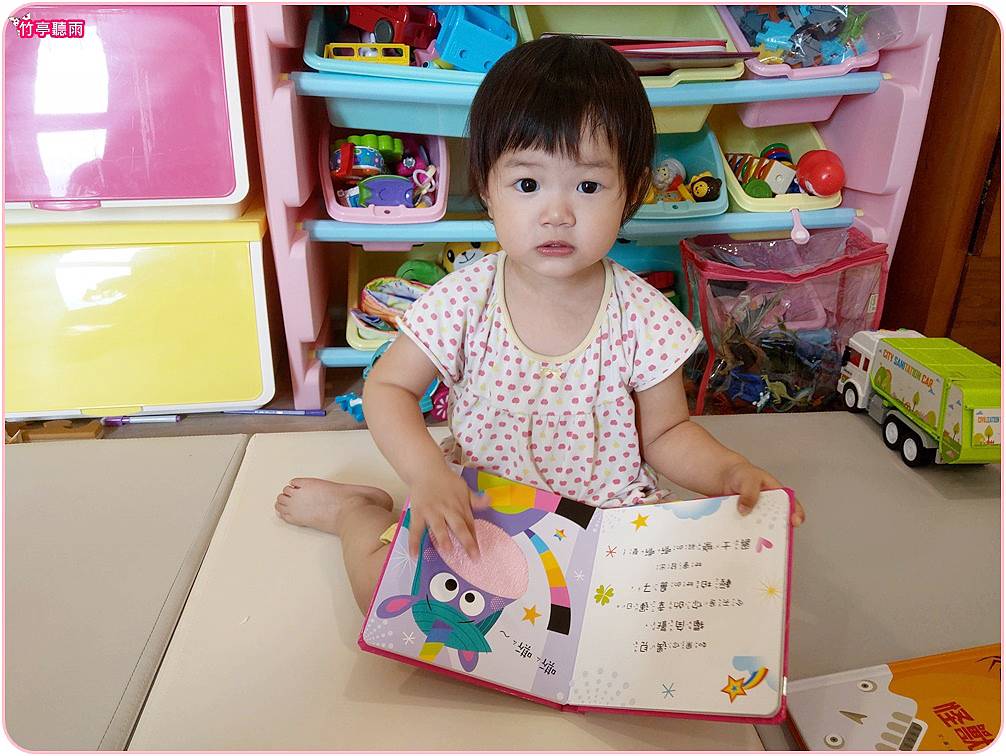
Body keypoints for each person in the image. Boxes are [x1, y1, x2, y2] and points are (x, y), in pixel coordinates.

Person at [275, 36, 805, 613]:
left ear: (631, 192)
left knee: (692, 607)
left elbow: (666, 434)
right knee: (388, 597)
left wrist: (729, 471)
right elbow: (388, 388)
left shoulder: (645, 316)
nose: (557, 214)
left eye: (588, 186)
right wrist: (426, 474)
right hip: (486, 517)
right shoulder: (466, 299)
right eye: (528, 185)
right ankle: (355, 511)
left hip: (607, 527)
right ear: (487, 188)